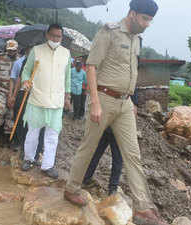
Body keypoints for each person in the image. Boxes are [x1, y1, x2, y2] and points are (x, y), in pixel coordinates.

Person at [63, 1, 169, 225]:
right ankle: (71, 188)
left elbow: (131, 71)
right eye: (145, 19)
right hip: (103, 98)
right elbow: (91, 66)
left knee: (133, 154)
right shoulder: (108, 32)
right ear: (132, 14)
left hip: (125, 104)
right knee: (88, 146)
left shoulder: (137, 40)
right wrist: (94, 103)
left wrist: (132, 100)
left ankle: (143, 208)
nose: (148, 24)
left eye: (150, 20)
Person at [20, 23, 71, 179]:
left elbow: (67, 77)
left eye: (59, 36)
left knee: (52, 136)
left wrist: (67, 96)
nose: (56, 39)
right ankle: (29, 159)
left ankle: (47, 165)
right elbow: (26, 72)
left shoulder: (66, 53)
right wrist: (26, 82)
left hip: (56, 101)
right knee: (33, 133)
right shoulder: (36, 51)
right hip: (37, 98)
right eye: (53, 36)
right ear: (47, 35)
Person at [82, 90, 139, 196]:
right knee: (98, 154)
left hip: (116, 130)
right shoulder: (115, 86)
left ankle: (112, 188)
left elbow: (133, 111)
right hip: (107, 126)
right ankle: (88, 178)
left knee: (116, 159)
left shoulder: (130, 90)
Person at [0, 40, 19, 147]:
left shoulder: (19, 60)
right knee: (1, 110)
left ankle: (7, 138)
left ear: (16, 50)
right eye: (9, 50)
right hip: (1, 90)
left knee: (11, 114)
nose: (11, 52)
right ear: (6, 49)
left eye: (13, 50)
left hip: (13, 92)